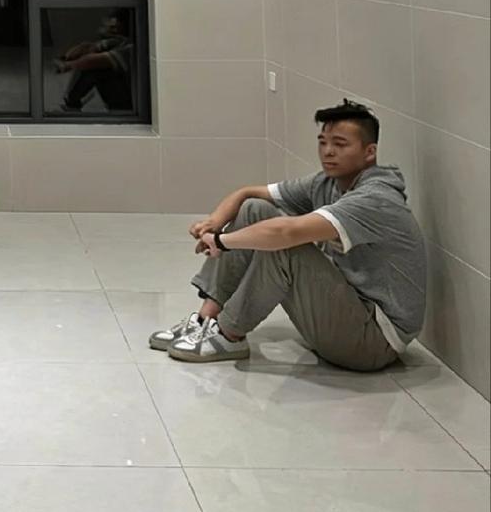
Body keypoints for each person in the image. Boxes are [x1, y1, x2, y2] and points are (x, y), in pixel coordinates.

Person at [151, 99, 426, 370]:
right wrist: (213, 223)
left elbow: (285, 232)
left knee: (284, 247)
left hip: (375, 340)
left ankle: (228, 335)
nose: (328, 152)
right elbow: (247, 194)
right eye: (323, 142)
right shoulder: (326, 183)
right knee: (256, 209)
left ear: (369, 152)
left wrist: (222, 241)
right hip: (348, 312)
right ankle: (206, 320)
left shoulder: (375, 198)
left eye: (340, 144)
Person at [52, 13, 133, 112]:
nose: (111, 30)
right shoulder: (118, 41)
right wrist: (67, 57)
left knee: (94, 67)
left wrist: (68, 65)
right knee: (89, 59)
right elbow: (89, 47)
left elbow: (94, 61)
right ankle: (71, 102)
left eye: (115, 27)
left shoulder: (130, 48)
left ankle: (72, 104)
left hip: (130, 104)